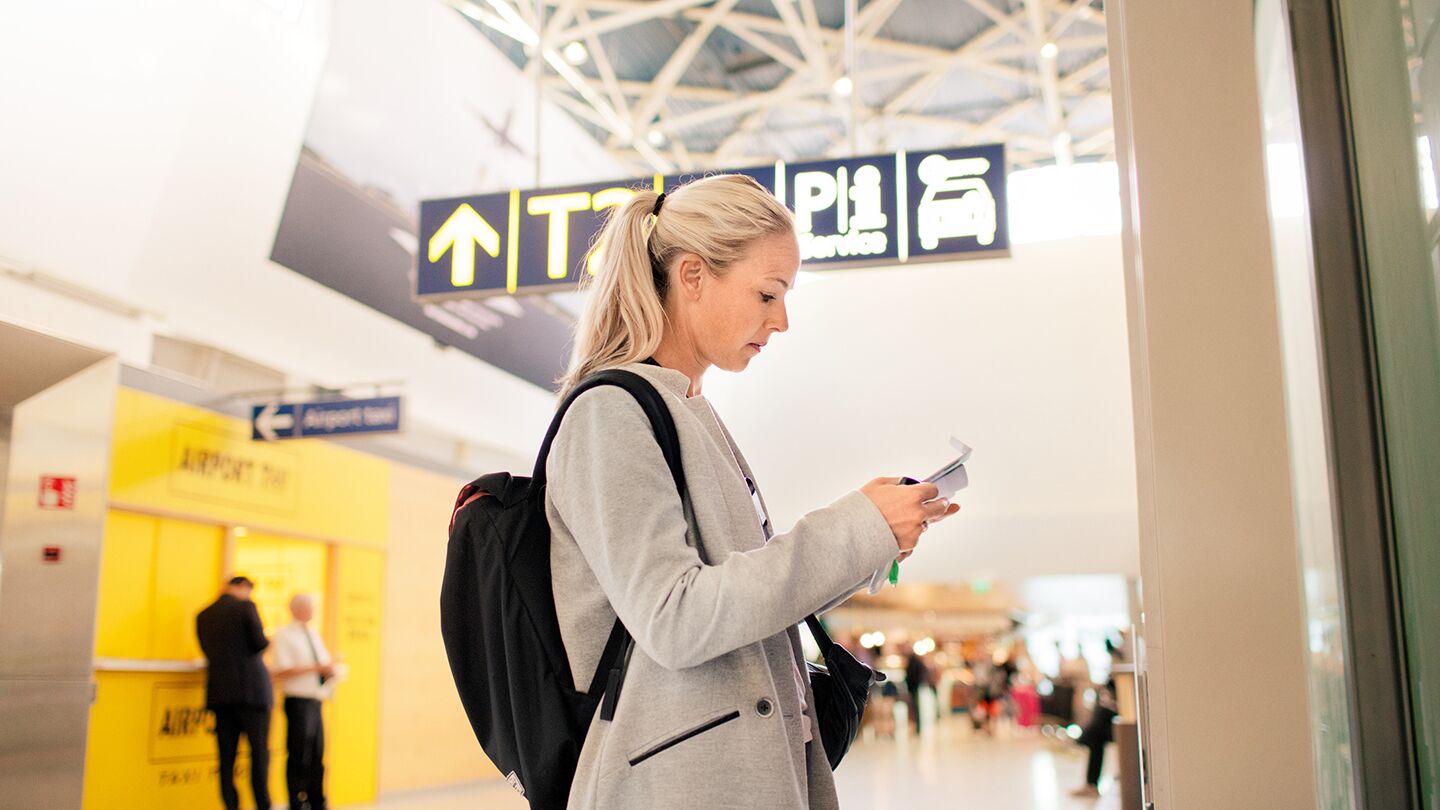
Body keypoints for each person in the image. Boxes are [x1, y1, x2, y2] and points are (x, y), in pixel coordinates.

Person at [545, 174, 961, 809]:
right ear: (692, 276)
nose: (783, 319)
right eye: (768, 293)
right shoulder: (611, 413)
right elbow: (675, 617)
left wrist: (874, 538)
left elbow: (738, 595)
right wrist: (855, 530)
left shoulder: (689, 411)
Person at [196, 576, 272, 810]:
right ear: (242, 588)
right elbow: (259, 643)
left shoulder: (203, 614)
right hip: (252, 692)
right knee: (258, 753)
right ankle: (262, 804)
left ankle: (231, 805)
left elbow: (207, 650)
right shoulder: (246, 607)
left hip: (220, 692)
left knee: (226, 756)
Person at [269, 593, 335, 810]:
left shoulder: (312, 633)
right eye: (309, 608)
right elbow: (282, 670)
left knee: (317, 754)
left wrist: (329, 670)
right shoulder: (284, 635)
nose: (312, 612)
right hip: (297, 700)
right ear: (297, 609)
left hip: (316, 699)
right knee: (298, 753)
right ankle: (296, 800)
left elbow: (322, 661)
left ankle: (317, 800)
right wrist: (315, 668)